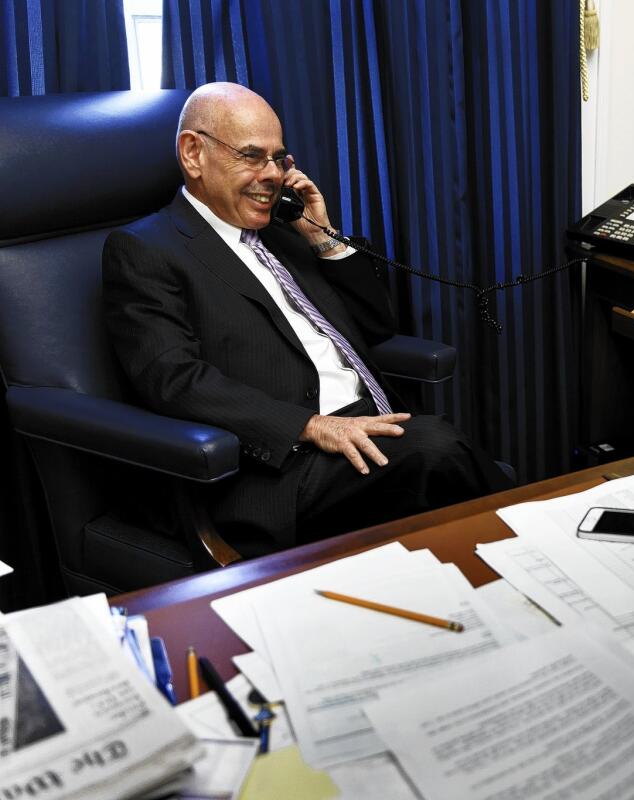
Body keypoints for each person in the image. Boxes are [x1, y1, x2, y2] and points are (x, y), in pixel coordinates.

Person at [103, 82, 510, 558]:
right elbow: (174, 380)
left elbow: (376, 326)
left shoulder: (285, 230)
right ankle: (536, 556)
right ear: (193, 154)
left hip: (368, 429)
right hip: (283, 464)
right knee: (440, 451)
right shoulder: (145, 250)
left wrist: (324, 236)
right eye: (253, 156)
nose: (272, 175)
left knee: (446, 467)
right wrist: (312, 426)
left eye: (280, 159)